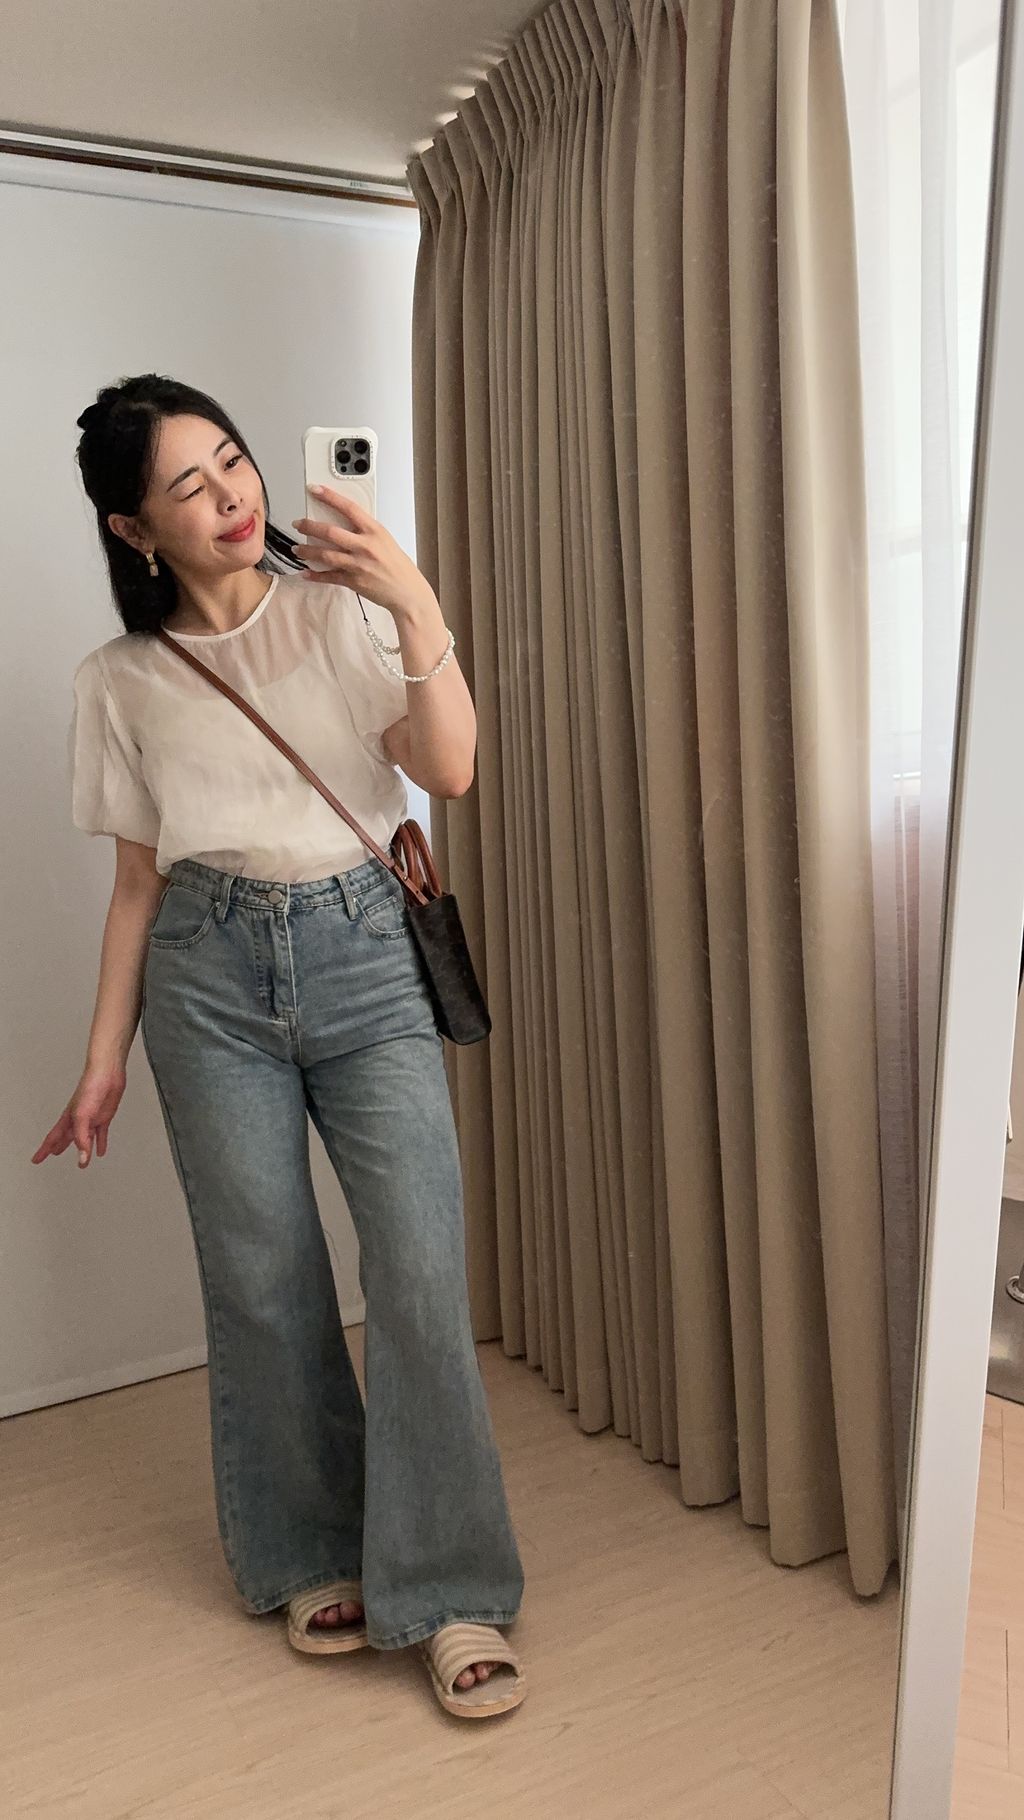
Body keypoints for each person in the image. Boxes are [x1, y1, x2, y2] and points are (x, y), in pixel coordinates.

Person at [31, 373, 526, 1718]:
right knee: (264, 1278)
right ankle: (311, 1550)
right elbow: (136, 886)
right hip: (207, 974)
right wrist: (102, 1061)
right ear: (134, 530)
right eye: (186, 485)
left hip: (364, 950)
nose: (229, 496)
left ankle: (449, 1586)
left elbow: (450, 769)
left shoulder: (339, 613)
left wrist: (414, 603)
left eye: (233, 462)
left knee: (418, 1267)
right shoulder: (120, 680)